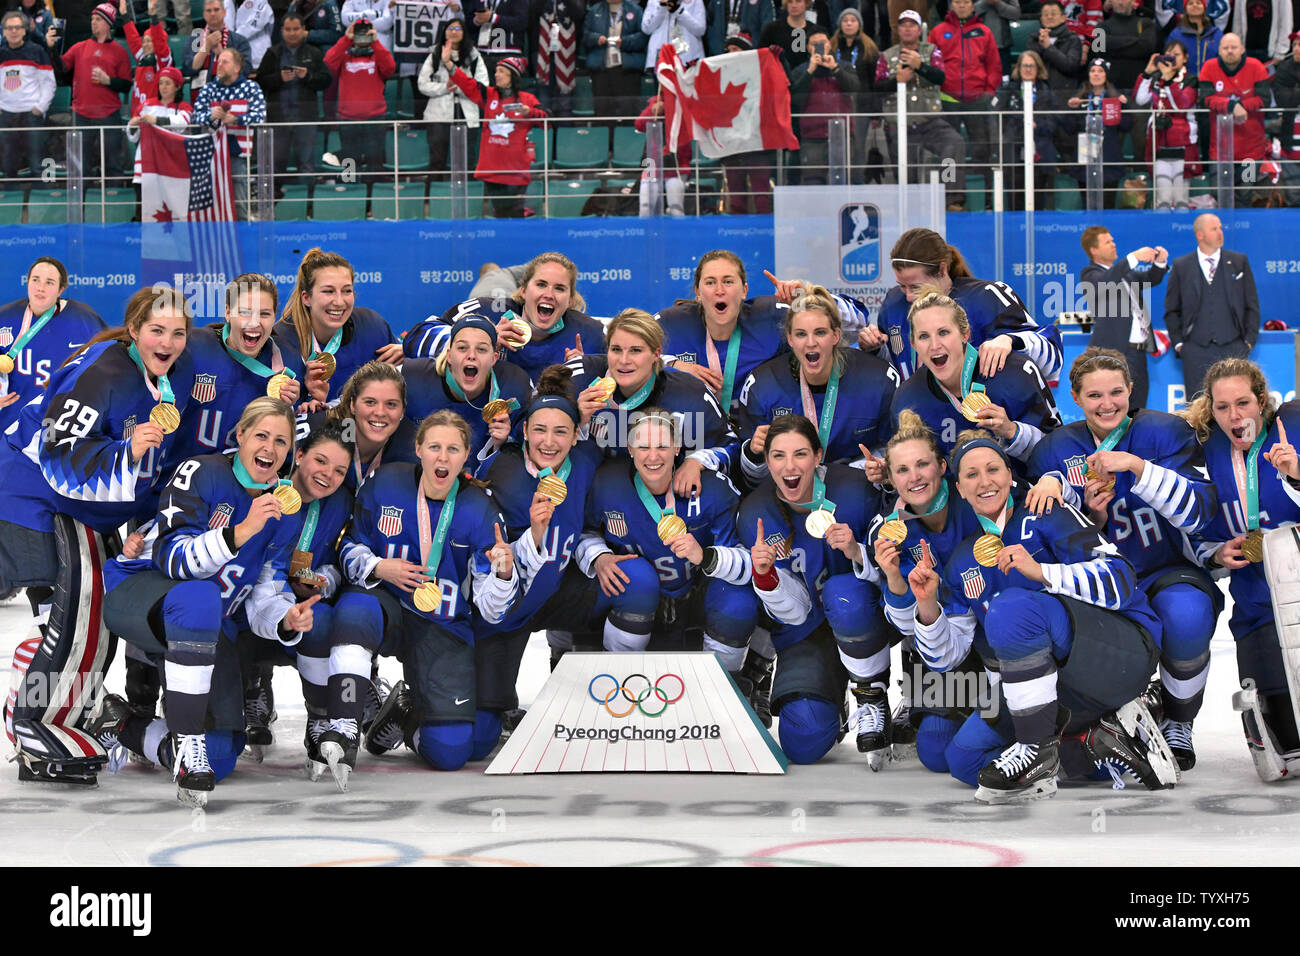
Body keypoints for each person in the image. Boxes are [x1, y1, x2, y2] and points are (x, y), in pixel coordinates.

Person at [907, 429, 1175, 802]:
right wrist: (927, 605)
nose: (985, 481)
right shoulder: (960, 562)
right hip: (1051, 685)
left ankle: (1037, 747)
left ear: (1009, 475)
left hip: (1118, 654)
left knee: (1011, 607)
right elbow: (944, 659)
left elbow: (1121, 578)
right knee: (964, 760)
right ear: (960, 488)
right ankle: (1092, 742)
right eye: (971, 475)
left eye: (993, 469)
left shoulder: (1046, 512)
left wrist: (1043, 573)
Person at [0, 285, 193, 785]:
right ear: (134, 331)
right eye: (156, 330)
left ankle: (33, 682)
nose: (168, 341)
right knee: (87, 612)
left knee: (93, 618)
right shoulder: (104, 372)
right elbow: (57, 451)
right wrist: (125, 451)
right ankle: (39, 721)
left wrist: (145, 526)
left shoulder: (162, 380)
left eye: (178, 332)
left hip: (85, 512)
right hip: (37, 500)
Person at [99, 397, 307, 805]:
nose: (269, 448)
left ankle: (121, 723)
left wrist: (285, 619)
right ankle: (188, 744)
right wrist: (239, 533)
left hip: (210, 627)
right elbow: (174, 558)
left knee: (223, 758)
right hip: (140, 595)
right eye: (261, 435)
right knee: (200, 595)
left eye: (281, 442)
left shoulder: (285, 509)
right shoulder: (201, 471)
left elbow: (263, 592)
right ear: (241, 435)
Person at [1028, 348, 1220, 770]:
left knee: (1186, 615)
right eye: (1094, 395)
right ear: (1075, 399)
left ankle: (1178, 719)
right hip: (1098, 585)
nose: (1107, 403)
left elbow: (1200, 511)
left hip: (1163, 570)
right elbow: (1047, 534)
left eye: (1116, 392)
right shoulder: (1056, 450)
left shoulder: (1165, 432)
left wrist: (1137, 467)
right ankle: (1104, 717)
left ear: (1131, 390)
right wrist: (1090, 516)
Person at [324, 410, 519, 786]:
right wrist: (380, 566)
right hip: (389, 608)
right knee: (355, 607)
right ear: (418, 450)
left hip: (441, 625)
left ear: (466, 456)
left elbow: (492, 609)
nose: (442, 458)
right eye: (434, 447)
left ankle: (405, 715)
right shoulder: (385, 484)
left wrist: (502, 572)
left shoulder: (480, 508)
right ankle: (343, 724)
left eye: (452, 449)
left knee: (458, 750)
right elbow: (347, 549)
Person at [738, 414, 891, 766]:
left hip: (866, 612)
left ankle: (872, 693)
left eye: (800, 454)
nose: (789, 466)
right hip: (808, 629)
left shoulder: (857, 489)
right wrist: (767, 578)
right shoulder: (754, 514)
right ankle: (834, 700)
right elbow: (794, 611)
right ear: (767, 460)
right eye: (778, 456)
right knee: (802, 741)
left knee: (844, 594)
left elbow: (895, 572)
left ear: (818, 455)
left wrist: (857, 553)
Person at [1181, 361, 1300, 780]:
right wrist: (1215, 555)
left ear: (1262, 401)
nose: (1235, 416)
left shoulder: (1294, 429)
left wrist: (1298, 476)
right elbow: (1190, 533)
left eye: (1244, 403)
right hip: (1255, 607)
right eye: (1223, 406)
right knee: (1288, 745)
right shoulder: (1200, 451)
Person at [574, 405, 759, 673]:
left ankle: (724, 686)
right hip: (636, 597)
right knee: (634, 577)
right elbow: (581, 530)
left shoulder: (712, 489)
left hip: (695, 595)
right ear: (629, 448)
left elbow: (751, 564)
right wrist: (598, 557)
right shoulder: (607, 482)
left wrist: (706, 556)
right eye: (643, 446)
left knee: (738, 601)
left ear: (677, 447)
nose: (652, 456)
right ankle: (617, 676)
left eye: (662, 446)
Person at [474, 365, 605, 742]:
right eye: (540, 430)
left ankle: (583, 685)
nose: (550, 441)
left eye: (561, 431)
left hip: (557, 593)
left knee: (631, 586)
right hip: (506, 604)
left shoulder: (587, 460)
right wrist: (533, 535)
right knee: (481, 736)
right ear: (525, 431)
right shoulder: (499, 468)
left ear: (575, 435)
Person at [869, 410, 991, 775]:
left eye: (923, 464)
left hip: (999, 636)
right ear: (890, 478)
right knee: (935, 751)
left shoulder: (977, 500)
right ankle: (951, 704)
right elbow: (908, 626)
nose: (915, 477)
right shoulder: (889, 532)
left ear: (942, 465)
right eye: (902, 470)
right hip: (946, 639)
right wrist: (895, 579)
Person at [241, 420, 354, 770]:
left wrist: (322, 580)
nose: (328, 475)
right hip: (250, 605)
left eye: (339, 470)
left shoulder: (339, 504)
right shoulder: (266, 496)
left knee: (322, 619)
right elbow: (260, 576)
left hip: (294, 605)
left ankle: (320, 719)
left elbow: (336, 565)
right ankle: (250, 691)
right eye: (320, 461)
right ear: (299, 455)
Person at [736, 285, 898, 487]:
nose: (811, 343)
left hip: (857, 490)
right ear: (790, 339)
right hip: (791, 496)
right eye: (801, 334)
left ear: (836, 336)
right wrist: (754, 453)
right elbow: (753, 482)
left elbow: (897, 456)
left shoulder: (878, 379)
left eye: (820, 332)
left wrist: (877, 469)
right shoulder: (763, 384)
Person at [890, 288, 1061, 476]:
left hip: (1021, 497)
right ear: (913, 344)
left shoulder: (1015, 373)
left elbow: (1058, 452)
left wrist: (1012, 431)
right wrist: (890, 475)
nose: (934, 345)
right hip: (952, 502)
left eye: (944, 332)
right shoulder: (906, 398)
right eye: (924, 336)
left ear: (965, 334)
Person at [569, 308, 737, 485]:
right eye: (616, 349)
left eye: (635, 350)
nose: (624, 360)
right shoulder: (580, 380)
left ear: (657, 354)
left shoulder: (690, 395)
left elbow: (733, 448)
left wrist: (698, 461)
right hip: (603, 498)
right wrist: (576, 422)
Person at [874, 227, 1064, 382]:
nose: (908, 296)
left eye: (916, 287)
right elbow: (896, 368)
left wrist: (1010, 340)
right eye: (902, 286)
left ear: (941, 269)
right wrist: (875, 349)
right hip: (922, 417)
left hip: (983, 419)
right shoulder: (893, 303)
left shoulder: (987, 298)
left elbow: (1053, 358)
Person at [403, 251, 603, 383]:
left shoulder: (589, 333)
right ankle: (490, 272)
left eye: (559, 288)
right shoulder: (486, 309)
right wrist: (480, 340)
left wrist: (585, 374)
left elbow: (619, 380)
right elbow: (416, 336)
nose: (549, 294)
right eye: (541, 284)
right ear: (523, 290)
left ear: (569, 300)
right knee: (492, 280)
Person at [169, 273, 303, 465]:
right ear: (227, 312)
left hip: (245, 484)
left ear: (275, 317)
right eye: (245, 312)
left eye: (264, 314)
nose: (254, 322)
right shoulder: (193, 347)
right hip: (180, 479)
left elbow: (290, 438)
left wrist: (293, 408)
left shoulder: (288, 363)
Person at [655, 249, 790, 421]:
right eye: (710, 283)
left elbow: (828, 322)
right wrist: (672, 363)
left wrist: (804, 300)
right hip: (698, 438)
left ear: (744, 291)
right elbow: (624, 347)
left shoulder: (769, 319)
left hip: (755, 435)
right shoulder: (672, 323)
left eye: (728, 281)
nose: (719, 290)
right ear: (698, 292)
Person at [274, 247, 403, 405]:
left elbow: (399, 389)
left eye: (347, 291)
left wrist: (406, 354)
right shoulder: (281, 344)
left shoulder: (373, 327)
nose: (339, 302)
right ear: (306, 298)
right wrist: (307, 398)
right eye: (328, 291)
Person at [402, 313, 532, 466]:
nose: (471, 356)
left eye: (482, 349)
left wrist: (500, 445)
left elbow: (526, 456)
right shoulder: (411, 377)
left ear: (494, 358)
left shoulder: (514, 386)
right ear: (449, 355)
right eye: (462, 348)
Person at [0, 257, 106, 435]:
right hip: (11, 426)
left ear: (61, 289)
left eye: (49, 282)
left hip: (62, 427)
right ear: (27, 282)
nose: (40, 288)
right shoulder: (5, 317)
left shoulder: (84, 320)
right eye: (35, 280)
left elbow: (109, 362)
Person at [873, 9, 966, 211]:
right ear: (898, 29)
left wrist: (920, 65)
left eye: (911, 25)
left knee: (953, 144)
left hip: (929, 120)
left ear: (919, 29)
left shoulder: (932, 51)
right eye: (903, 25)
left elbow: (940, 78)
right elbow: (876, 88)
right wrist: (895, 82)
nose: (907, 29)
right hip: (899, 123)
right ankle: (910, 208)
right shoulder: (885, 56)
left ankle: (951, 199)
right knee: (908, 168)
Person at [1162, 212, 1260, 399]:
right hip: (1195, 350)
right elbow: (1171, 310)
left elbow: (1251, 304)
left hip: (1233, 347)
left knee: (1236, 402)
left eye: (1221, 228)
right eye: (1214, 229)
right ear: (1200, 235)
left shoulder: (1238, 261)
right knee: (1198, 406)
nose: (1220, 232)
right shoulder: (1181, 266)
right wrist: (1180, 344)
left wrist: (1248, 342)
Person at [1079, 226, 1168, 410]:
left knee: (1138, 407)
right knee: (1115, 409)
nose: (1113, 244)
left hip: (1137, 353)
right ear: (1094, 250)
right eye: (1107, 242)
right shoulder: (1090, 274)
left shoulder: (1126, 274)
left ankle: (1137, 439)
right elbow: (1106, 281)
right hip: (1114, 353)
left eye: (1113, 240)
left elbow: (1151, 278)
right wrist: (1134, 257)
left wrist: (1160, 262)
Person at [929, 0, 1001, 211]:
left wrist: (988, 93)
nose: (961, 5)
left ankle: (987, 198)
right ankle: (952, 199)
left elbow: (994, 65)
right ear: (951, 5)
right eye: (957, 2)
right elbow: (933, 64)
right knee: (949, 151)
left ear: (972, 5)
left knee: (983, 151)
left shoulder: (983, 31)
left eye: (966, 2)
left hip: (977, 100)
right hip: (948, 100)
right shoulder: (938, 32)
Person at [453, 55, 546, 217]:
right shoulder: (489, 95)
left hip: (516, 170)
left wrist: (529, 112)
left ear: (513, 77)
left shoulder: (528, 99)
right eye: (496, 71)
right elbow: (468, 84)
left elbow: (549, 120)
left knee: (511, 215)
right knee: (503, 214)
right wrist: (449, 65)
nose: (496, 74)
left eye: (501, 71)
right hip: (493, 170)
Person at [51, 2, 130, 179]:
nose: (93, 22)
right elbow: (61, 67)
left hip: (109, 114)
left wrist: (108, 81)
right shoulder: (80, 47)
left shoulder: (119, 52)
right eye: (92, 19)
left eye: (99, 19)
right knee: (81, 167)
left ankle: (115, 202)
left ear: (109, 23)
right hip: (82, 114)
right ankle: (83, 205)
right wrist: (51, 49)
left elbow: (126, 85)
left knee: (113, 165)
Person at [191, 47, 267, 220]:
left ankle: (242, 239)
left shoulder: (251, 87)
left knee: (239, 203)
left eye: (225, 62)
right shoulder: (208, 89)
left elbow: (260, 116)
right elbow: (195, 116)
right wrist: (210, 116)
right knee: (210, 202)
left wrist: (236, 120)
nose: (219, 65)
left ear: (237, 67)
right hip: (209, 153)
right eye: (219, 61)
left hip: (237, 154)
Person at [257, 11, 331, 186]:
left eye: (296, 29)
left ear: (303, 29)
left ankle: (307, 206)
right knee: (276, 166)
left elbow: (326, 81)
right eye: (288, 29)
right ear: (282, 30)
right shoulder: (272, 53)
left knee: (307, 165)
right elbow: (260, 82)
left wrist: (308, 76)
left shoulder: (314, 53)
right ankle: (276, 204)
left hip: (305, 119)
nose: (292, 33)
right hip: (278, 120)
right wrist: (279, 78)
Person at [322, 361, 419, 492]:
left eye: (391, 404)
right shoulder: (324, 433)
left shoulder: (413, 450)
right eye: (370, 402)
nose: (380, 412)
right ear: (353, 405)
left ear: (402, 410)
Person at [1197, 33, 1269, 199]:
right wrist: (1230, 105)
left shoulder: (1256, 66)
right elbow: (1204, 100)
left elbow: (1264, 99)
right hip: (1221, 153)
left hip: (1251, 153)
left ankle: (1244, 225)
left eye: (1234, 47)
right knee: (1219, 194)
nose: (1230, 51)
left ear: (1243, 49)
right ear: (1219, 51)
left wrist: (1242, 106)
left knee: (1245, 193)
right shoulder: (1209, 67)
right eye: (1225, 48)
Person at [789, 24, 861, 186]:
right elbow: (795, 99)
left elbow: (854, 88)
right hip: (811, 137)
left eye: (823, 43)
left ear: (829, 44)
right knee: (813, 182)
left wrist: (835, 69)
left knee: (843, 181)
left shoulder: (844, 66)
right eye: (815, 45)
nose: (819, 47)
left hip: (841, 136)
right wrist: (810, 71)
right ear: (808, 48)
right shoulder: (801, 71)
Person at [418, 17, 487, 178]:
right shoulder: (434, 54)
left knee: (467, 160)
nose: (453, 32)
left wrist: (462, 87)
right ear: (444, 32)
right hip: (438, 115)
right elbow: (422, 84)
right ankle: (434, 198)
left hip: (467, 113)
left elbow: (483, 85)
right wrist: (444, 88)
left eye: (458, 29)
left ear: (464, 33)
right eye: (450, 29)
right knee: (437, 159)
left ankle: (468, 197)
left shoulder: (474, 56)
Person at [324, 17, 395, 173]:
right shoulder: (343, 56)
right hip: (348, 119)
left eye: (365, 32)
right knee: (350, 165)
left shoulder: (378, 54)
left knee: (375, 163)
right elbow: (328, 63)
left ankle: (374, 195)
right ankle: (352, 193)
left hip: (375, 118)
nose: (362, 35)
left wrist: (376, 42)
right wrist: (346, 39)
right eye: (358, 32)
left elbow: (390, 68)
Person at [1134, 41, 1199, 211]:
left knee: (1181, 199)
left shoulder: (1191, 79)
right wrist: (1148, 73)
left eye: (1176, 55)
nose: (1171, 58)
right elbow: (1140, 99)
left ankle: (1181, 232)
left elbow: (1182, 104)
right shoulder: (1156, 78)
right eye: (1168, 54)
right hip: (1159, 141)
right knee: (1162, 199)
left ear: (1185, 58)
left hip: (1183, 143)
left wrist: (1169, 79)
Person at [1063, 58, 1132, 208]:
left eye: (1100, 71)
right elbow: (1069, 128)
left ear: (1106, 75)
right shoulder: (1080, 98)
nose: (1096, 74)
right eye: (1093, 71)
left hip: (1108, 157)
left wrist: (1124, 107)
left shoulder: (1114, 97)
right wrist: (1071, 109)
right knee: (1087, 204)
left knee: (1107, 204)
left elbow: (1127, 126)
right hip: (1085, 157)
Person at [996, 50, 1057, 211]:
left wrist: (1039, 126)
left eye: (1032, 66)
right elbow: (996, 116)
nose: (1028, 69)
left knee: (1038, 198)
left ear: (1038, 69)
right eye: (1024, 66)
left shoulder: (1047, 91)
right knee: (1015, 197)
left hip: (1040, 150)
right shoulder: (1008, 89)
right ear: (1018, 68)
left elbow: (1054, 122)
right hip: (1013, 149)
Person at [1, 10, 54, 180]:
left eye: (17, 27)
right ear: (3, 31)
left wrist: (40, 108)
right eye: (9, 28)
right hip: (6, 115)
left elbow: (48, 82)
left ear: (25, 30)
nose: (13, 31)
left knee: (37, 164)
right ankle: (10, 206)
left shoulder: (37, 51)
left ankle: (43, 204)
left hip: (31, 115)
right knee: (8, 165)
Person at [831, 9, 880, 185]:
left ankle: (857, 184)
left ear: (859, 24)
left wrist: (876, 113)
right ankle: (838, 184)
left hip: (862, 107)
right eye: (845, 20)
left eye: (853, 20)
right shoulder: (832, 46)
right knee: (838, 148)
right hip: (837, 105)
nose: (849, 23)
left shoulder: (870, 48)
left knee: (857, 149)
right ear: (840, 24)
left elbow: (875, 82)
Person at [581, 0, 647, 120]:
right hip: (601, 69)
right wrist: (596, 38)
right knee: (602, 112)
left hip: (627, 69)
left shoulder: (635, 10)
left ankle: (628, 138)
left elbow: (643, 36)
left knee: (628, 111)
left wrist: (625, 42)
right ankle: (604, 138)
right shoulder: (594, 10)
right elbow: (585, 36)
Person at [126, 65, 191, 183]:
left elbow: (182, 124)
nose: (163, 87)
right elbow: (133, 137)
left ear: (177, 87)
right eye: (161, 83)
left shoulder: (184, 107)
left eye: (168, 83)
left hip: (171, 167)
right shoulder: (146, 105)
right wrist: (133, 125)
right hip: (145, 167)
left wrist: (155, 121)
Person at [634, 84, 690, 215]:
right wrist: (653, 110)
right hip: (651, 163)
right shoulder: (655, 101)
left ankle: (677, 235)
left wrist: (670, 110)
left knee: (676, 209)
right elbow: (639, 124)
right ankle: (646, 235)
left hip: (676, 164)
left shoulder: (684, 103)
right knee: (645, 208)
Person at [530, 0, 586, 117]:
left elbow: (579, 13)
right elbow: (531, 12)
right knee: (543, 96)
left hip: (566, 52)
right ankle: (544, 131)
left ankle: (565, 133)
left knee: (565, 99)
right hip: (541, 50)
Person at [185, 0, 253, 91]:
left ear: (224, 12)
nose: (213, 13)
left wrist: (222, 53)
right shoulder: (195, 39)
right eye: (209, 11)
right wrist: (206, 47)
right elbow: (188, 70)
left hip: (232, 92)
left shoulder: (239, 40)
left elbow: (245, 71)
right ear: (204, 14)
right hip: (200, 93)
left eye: (216, 10)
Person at [464, 0, 528, 75]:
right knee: (479, 85)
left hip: (508, 52)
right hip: (480, 53)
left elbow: (522, 22)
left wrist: (493, 18)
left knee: (506, 86)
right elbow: (467, 24)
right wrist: (476, 21)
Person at [1166, 0, 1223, 80]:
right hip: (1183, 84)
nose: (1194, 5)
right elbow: (1169, 61)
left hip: (1211, 83)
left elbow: (1223, 60)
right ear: (1185, 8)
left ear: (1204, 7)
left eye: (1198, 3)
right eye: (1190, 3)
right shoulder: (1176, 35)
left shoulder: (1216, 33)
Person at [705, 0, 772, 56]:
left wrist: (756, 51)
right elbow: (710, 25)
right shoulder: (716, 1)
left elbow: (767, 29)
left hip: (750, 55)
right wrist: (715, 49)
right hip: (721, 54)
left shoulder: (763, 2)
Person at [234, 0, 274, 70]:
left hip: (258, 56)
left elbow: (254, 25)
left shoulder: (261, 2)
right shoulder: (229, 3)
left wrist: (232, 39)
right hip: (237, 56)